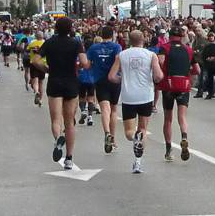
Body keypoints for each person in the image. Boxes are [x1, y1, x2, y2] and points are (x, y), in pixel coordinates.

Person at [108, 30, 163, 173]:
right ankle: (138, 162)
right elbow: (158, 76)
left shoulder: (121, 55)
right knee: (143, 129)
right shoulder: (151, 55)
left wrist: (123, 80)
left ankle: (134, 139)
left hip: (128, 97)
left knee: (128, 132)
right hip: (146, 96)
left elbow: (111, 77)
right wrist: (155, 78)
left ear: (129, 40)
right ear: (143, 39)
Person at [37, 18, 83, 170]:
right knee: (69, 122)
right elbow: (83, 61)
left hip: (54, 82)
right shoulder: (76, 43)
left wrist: (46, 69)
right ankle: (69, 158)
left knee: (56, 119)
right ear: (70, 29)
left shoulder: (49, 42)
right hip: (71, 82)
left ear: (55, 28)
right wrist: (82, 66)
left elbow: (36, 60)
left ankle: (58, 139)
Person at [157, 25, 200, 162]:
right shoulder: (188, 50)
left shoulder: (164, 47)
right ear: (181, 37)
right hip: (184, 85)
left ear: (170, 36)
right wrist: (188, 73)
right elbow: (197, 70)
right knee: (182, 117)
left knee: (168, 119)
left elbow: (160, 62)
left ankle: (169, 150)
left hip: (168, 85)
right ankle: (184, 137)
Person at [81, 26, 122, 154]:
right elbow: (119, 60)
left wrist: (93, 64)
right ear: (113, 34)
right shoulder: (116, 47)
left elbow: (87, 65)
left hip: (99, 80)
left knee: (105, 108)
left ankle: (107, 133)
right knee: (114, 110)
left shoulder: (93, 48)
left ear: (101, 34)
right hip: (114, 79)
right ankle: (113, 139)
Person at [28, 31, 46, 107]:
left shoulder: (32, 43)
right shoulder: (45, 43)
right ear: (42, 36)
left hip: (33, 63)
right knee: (41, 82)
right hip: (43, 64)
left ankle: (36, 91)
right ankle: (41, 99)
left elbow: (27, 50)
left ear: (35, 36)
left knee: (35, 80)